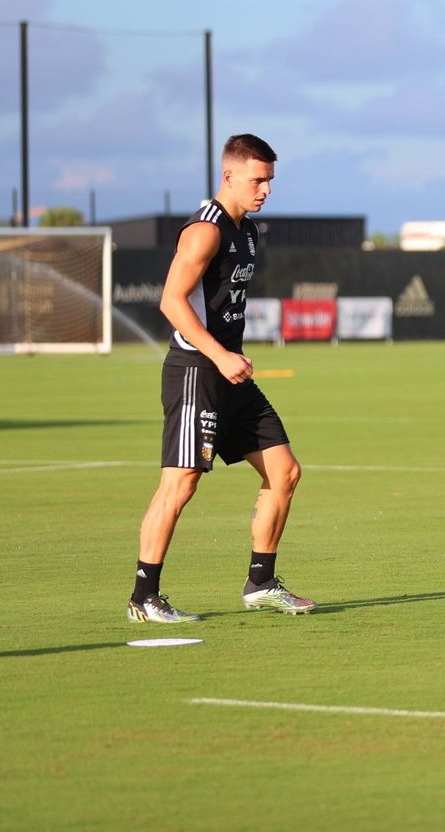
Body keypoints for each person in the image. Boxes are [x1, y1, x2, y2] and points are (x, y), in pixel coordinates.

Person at [128, 134, 312, 623]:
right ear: (228, 175)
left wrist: (231, 357)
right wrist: (219, 355)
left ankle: (261, 582)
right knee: (181, 483)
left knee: (285, 471)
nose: (266, 190)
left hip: (231, 374)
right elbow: (171, 301)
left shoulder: (247, 231)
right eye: (258, 180)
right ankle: (143, 597)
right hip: (197, 372)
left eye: (270, 180)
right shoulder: (204, 230)